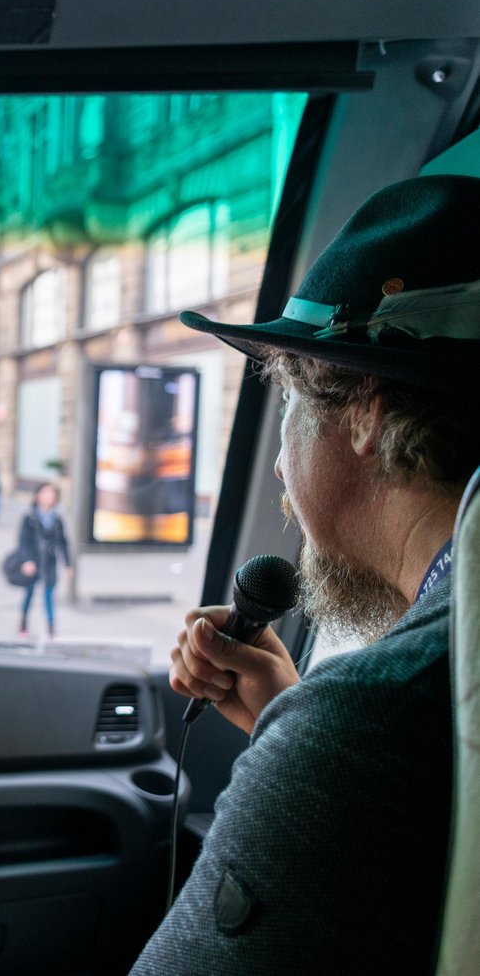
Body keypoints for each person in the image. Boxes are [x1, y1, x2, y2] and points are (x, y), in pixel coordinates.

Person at [133, 175, 480, 973]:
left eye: (288, 397)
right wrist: (287, 717)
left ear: (368, 413)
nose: (281, 472)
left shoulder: (373, 720)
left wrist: (311, 739)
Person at [15, 481, 73, 638]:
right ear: (38, 496)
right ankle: (23, 622)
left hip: (49, 562)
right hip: (34, 561)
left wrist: (68, 564)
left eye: (52, 493)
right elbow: (23, 541)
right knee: (29, 594)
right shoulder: (30, 516)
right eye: (47, 493)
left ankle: (51, 627)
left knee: (49, 595)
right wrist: (27, 560)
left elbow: (63, 542)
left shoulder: (57, 518)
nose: (50, 497)